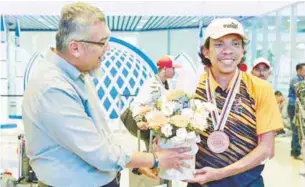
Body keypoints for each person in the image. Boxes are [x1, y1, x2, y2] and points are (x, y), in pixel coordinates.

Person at [22, 2, 191, 187]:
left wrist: (137, 162)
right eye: (102, 42)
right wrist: (154, 159)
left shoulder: (79, 74)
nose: (108, 48)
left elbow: (102, 138)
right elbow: (99, 153)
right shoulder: (52, 88)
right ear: (75, 48)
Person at [186, 18, 283, 187]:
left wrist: (220, 174)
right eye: (219, 44)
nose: (228, 51)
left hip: (247, 183)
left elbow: (266, 149)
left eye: (235, 44)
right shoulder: (191, 88)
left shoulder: (260, 88)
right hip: (201, 182)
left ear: (243, 50)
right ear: (206, 51)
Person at [288, 63, 305, 160]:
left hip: (299, 108)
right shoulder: (295, 80)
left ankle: (295, 150)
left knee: (299, 129)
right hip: (293, 107)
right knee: (296, 129)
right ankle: (296, 152)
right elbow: (300, 91)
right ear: (298, 70)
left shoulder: (302, 80)